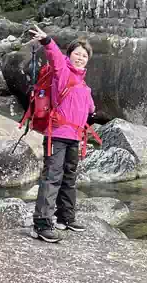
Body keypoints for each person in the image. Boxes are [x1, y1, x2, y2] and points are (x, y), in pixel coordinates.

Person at [26, 23, 96, 243]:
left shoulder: (84, 85)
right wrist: (47, 41)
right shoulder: (63, 72)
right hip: (57, 135)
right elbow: (55, 57)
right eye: (77, 54)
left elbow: (90, 109)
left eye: (84, 56)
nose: (80, 58)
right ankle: (41, 225)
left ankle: (65, 218)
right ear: (70, 55)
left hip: (74, 137)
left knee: (69, 179)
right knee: (52, 178)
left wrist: (91, 110)